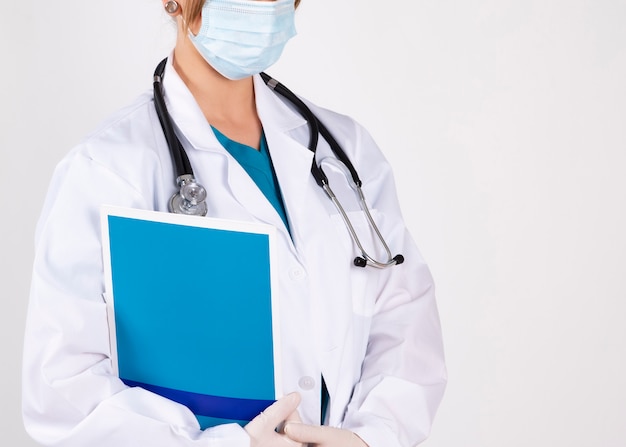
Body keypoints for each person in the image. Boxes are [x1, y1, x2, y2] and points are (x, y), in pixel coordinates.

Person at [22, 0, 447, 446]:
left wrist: (370, 437)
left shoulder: (345, 150)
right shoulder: (107, 168)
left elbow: (404, 318)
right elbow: (64, 387)